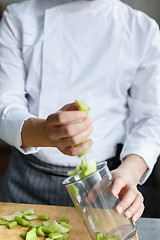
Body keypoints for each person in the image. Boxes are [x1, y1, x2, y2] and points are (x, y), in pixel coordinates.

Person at [0, 0, 160, 223]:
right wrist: (44, 132)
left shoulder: (142, 29)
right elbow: (4, 104)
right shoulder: (18, 17)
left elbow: (151, 117)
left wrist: (130, 172)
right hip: (27, 182)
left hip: (106, 184)